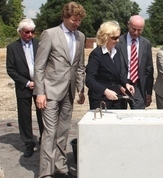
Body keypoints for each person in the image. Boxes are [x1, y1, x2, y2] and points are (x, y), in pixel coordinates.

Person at [34, 2, 86, 178]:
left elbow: (79, 66)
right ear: (64, 16)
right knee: (49, 133)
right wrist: (40, 93)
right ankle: (45, 173)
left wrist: (80, 89)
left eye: (79, 20)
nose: (76, 23)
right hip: (49, 92)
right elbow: (39, 66)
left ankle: (60, 168)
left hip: (69, 92)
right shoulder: (50, 34)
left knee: (63, 131)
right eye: (73, 19)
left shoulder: (81, 36)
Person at [6, 18, 43, 158]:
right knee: (24, 116)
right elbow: (11, 69)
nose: (30, 35)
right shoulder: (12, 48)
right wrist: (27, 83)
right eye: (27, 32)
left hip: (40, 86)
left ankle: (44, 139)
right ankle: (28, 143)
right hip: (23, 87)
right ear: (20, 32)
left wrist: (39, 81)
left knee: (42, 114)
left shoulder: (39, 44)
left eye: (32, 32)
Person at [86, 21, 134, 109]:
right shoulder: (96, 54)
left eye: (118, 37)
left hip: (117, 99)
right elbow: (89, 80)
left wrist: (126, 84)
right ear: (105, 37)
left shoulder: (116, 52)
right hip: (101, 100)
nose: (118, 40)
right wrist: (105, 91)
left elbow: (118, 74)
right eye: (114, 38)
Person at [116, 15, 154, 109]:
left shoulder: (146, 44)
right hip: (120, 85)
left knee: (139, 117)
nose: (136, 32)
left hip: (138, 86)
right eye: (133, 29)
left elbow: (149, 70)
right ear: (128, 25)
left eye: (139, 30)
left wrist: (148, 92)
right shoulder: (118, 42)